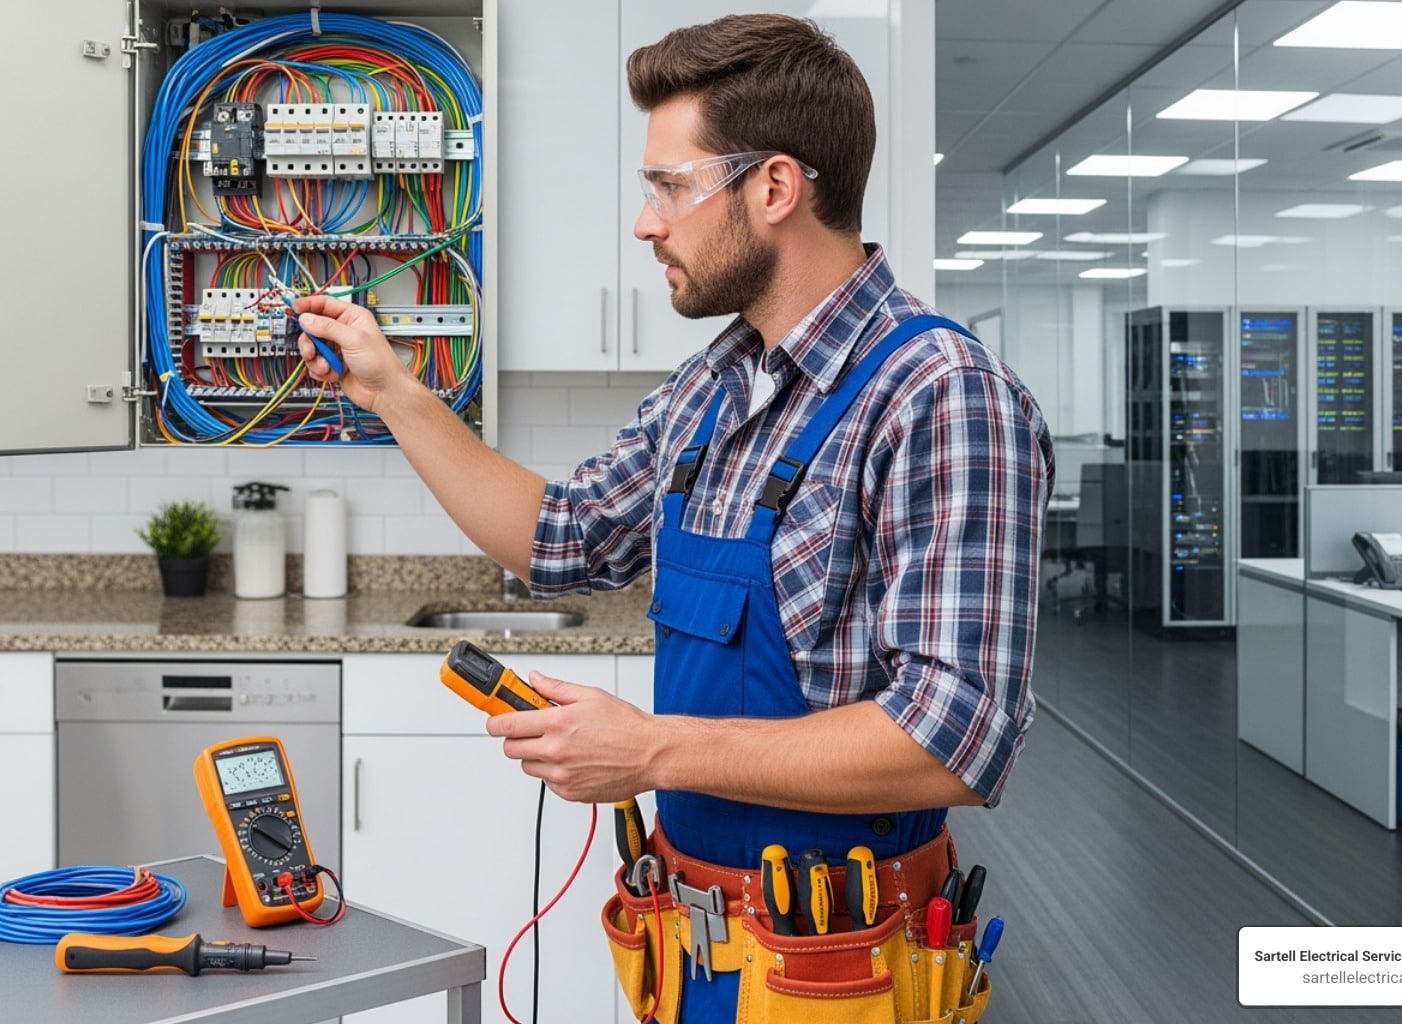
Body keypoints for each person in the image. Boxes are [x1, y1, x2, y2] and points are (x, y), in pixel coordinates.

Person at [293, 13, 1051, 1023]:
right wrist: (393, 392)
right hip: (692, 953)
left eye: (671, 186)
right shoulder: (716, 381)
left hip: (844, 971)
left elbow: (956, 737)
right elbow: (561, 535)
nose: (648, 222)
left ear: (774, 188)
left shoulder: (942, 394)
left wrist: (652, 751)